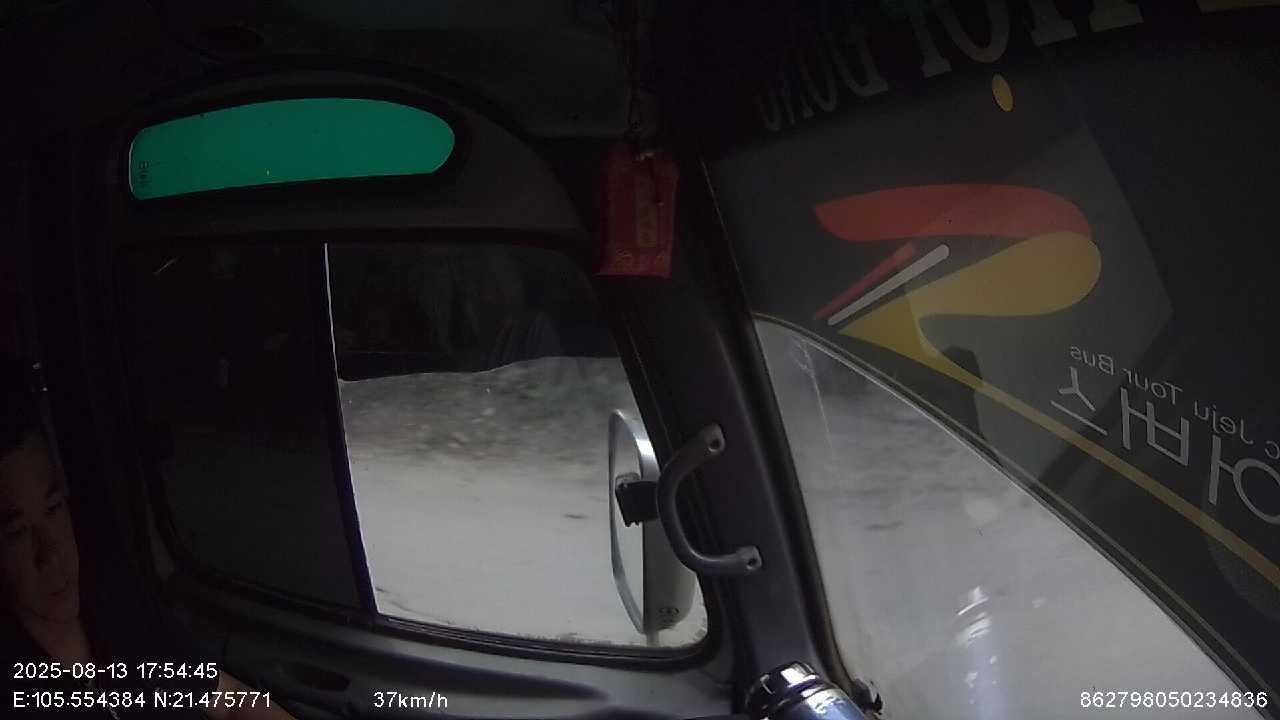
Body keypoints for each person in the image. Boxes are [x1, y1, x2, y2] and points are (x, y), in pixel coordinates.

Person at [1, 353, 296, 720]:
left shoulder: (115, 597)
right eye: (16, 532)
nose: (50, 553)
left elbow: (227, 697)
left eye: (53, 508)